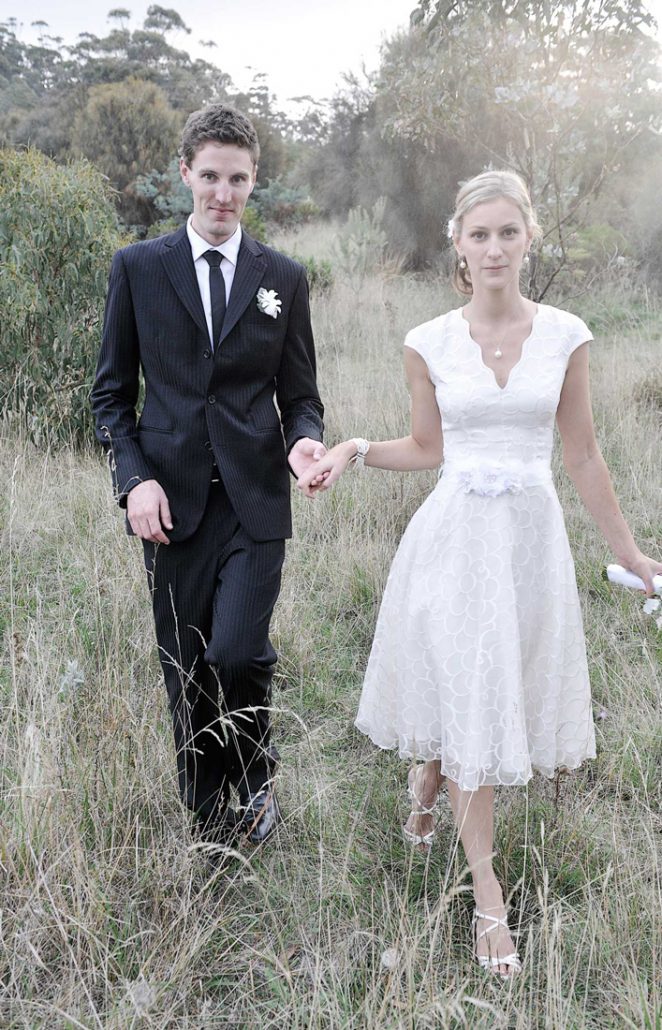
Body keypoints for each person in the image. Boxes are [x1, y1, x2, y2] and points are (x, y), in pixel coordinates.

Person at [297, 170, 661, 977]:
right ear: (458, 245)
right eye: (479, 234)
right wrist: (356, 448)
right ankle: (487, 894)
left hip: (528, 547)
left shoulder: (567, 336)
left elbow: (583, 455)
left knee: (492, 692)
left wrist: (633, 553)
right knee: (474, 689)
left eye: (508, 232)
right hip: (455, 543)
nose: (494, 248)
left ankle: (429, 782)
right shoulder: (427, 341)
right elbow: (428, 448)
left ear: (529, 237)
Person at [92, 104, 324, 850]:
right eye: (212, 177)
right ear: (186, 172)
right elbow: (110, 397)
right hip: (170, 504)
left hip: (256, 500)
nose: (224, 194)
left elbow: (301, 397)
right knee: (187, 668)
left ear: (255, 181)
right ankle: (208, 815)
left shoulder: (282, 278)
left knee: (237, 653)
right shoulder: (138, 268)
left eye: (239, 179)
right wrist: (134, 481)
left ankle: (254, 780)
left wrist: (305, 442)